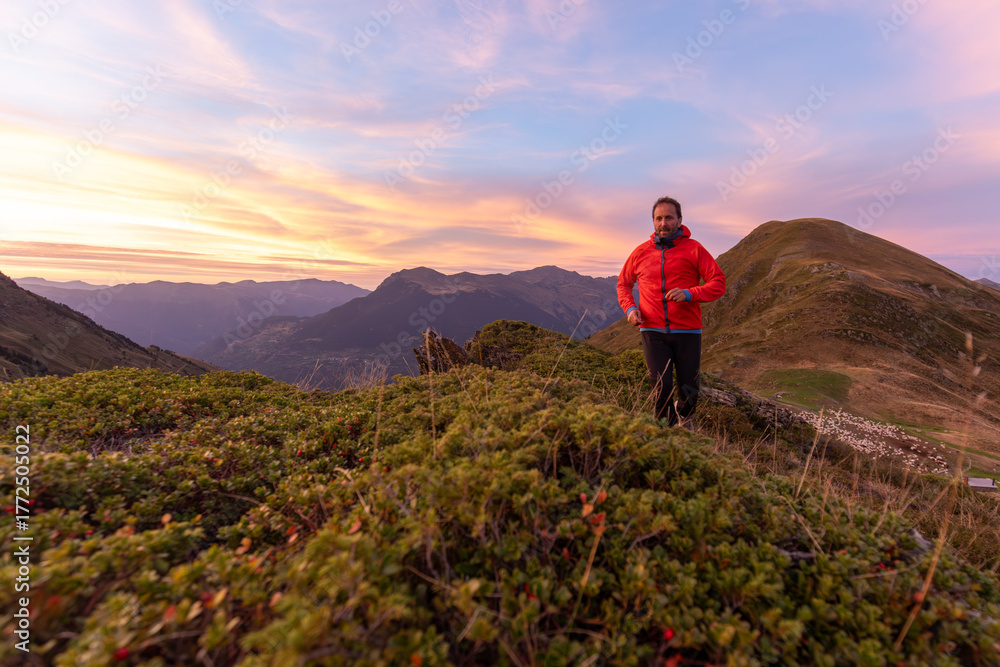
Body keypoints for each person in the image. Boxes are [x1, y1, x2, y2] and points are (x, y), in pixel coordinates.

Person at [617, 196, 726, 427]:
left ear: (679, 220)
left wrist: (690, 294)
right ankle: (665, 434)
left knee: (689, 390)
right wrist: (630, 308)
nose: (663, 223)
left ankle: (684, 418)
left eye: (669, 217)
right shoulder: (640, 252)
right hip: (652, 330)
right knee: (661, 387)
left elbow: (718, 283)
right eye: (659, 218)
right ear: (653, 222)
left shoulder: (695, 249)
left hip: (688, 330)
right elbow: (623, 284)